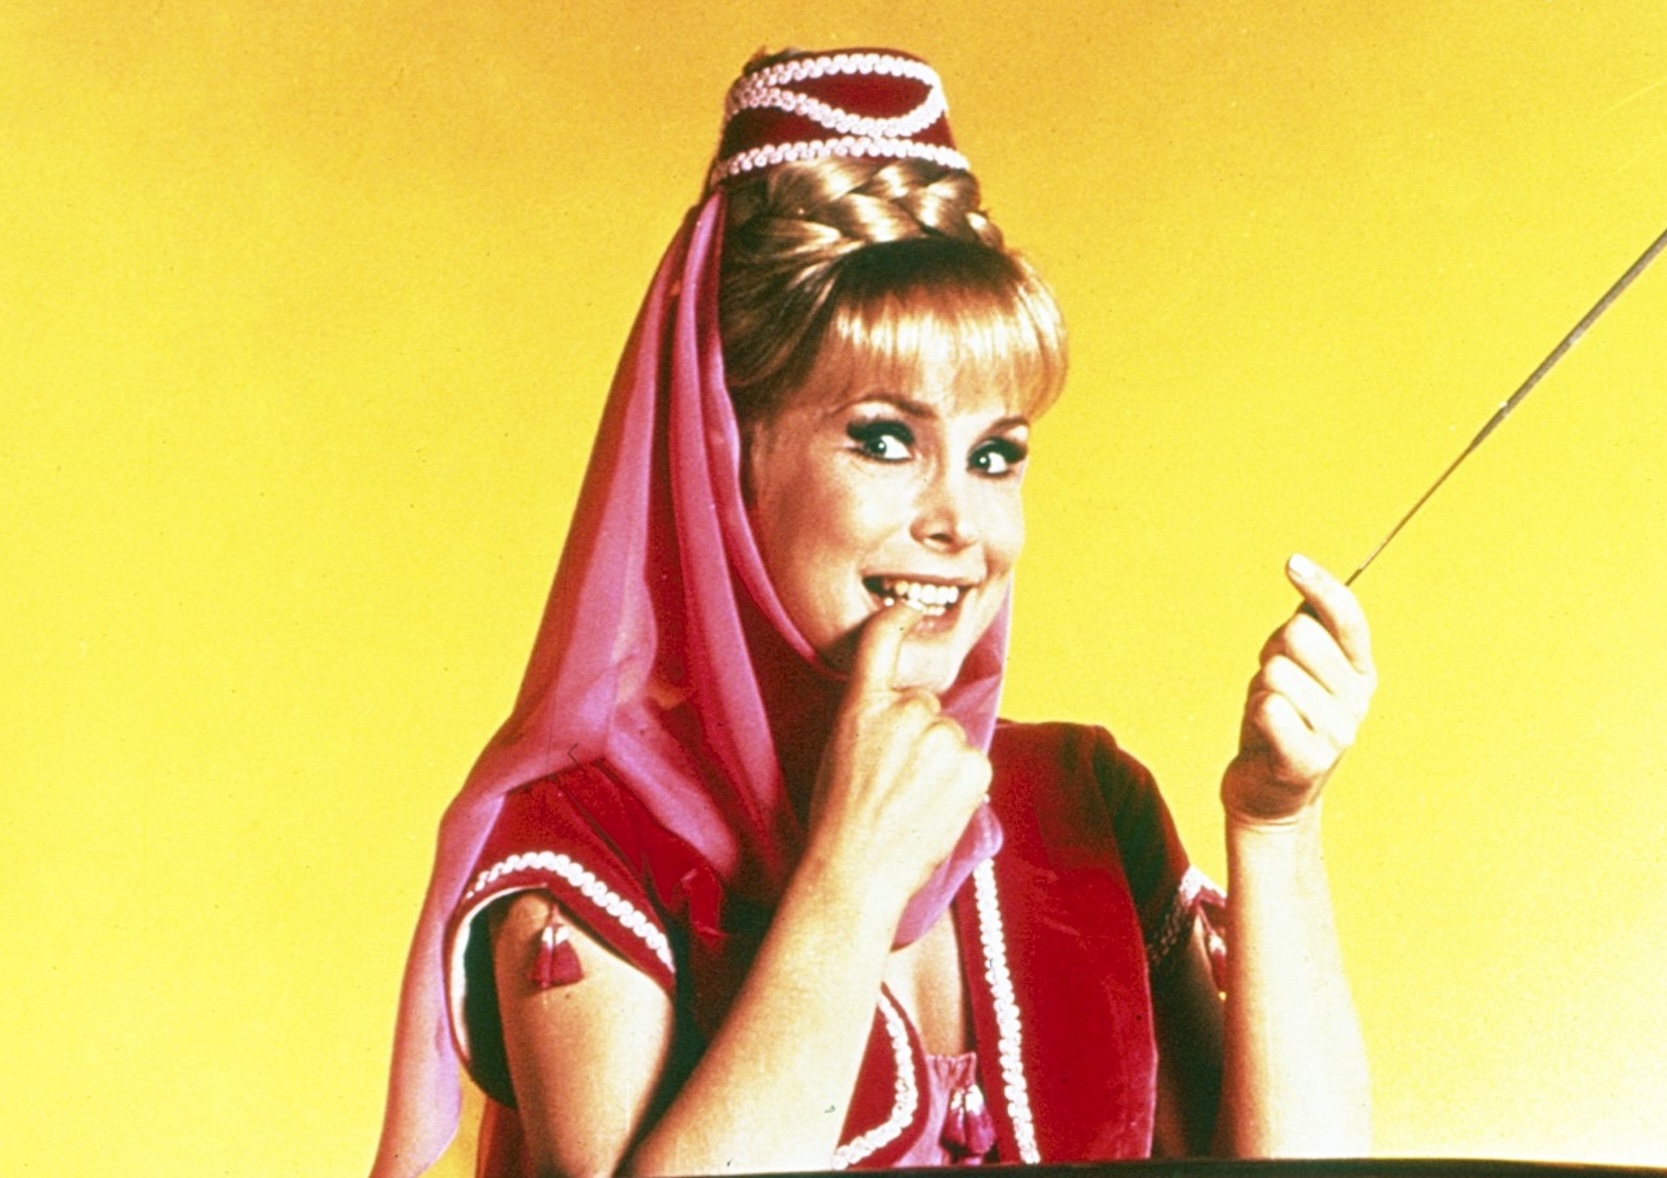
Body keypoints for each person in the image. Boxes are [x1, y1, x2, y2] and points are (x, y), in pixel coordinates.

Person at [372, 47, 1375, 1178]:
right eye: (886, 440)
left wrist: (1275, 828)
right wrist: (849, 880)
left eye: (995, 454)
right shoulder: (588, 841)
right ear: (725, 454)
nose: (960, 522)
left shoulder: (1087, 799)